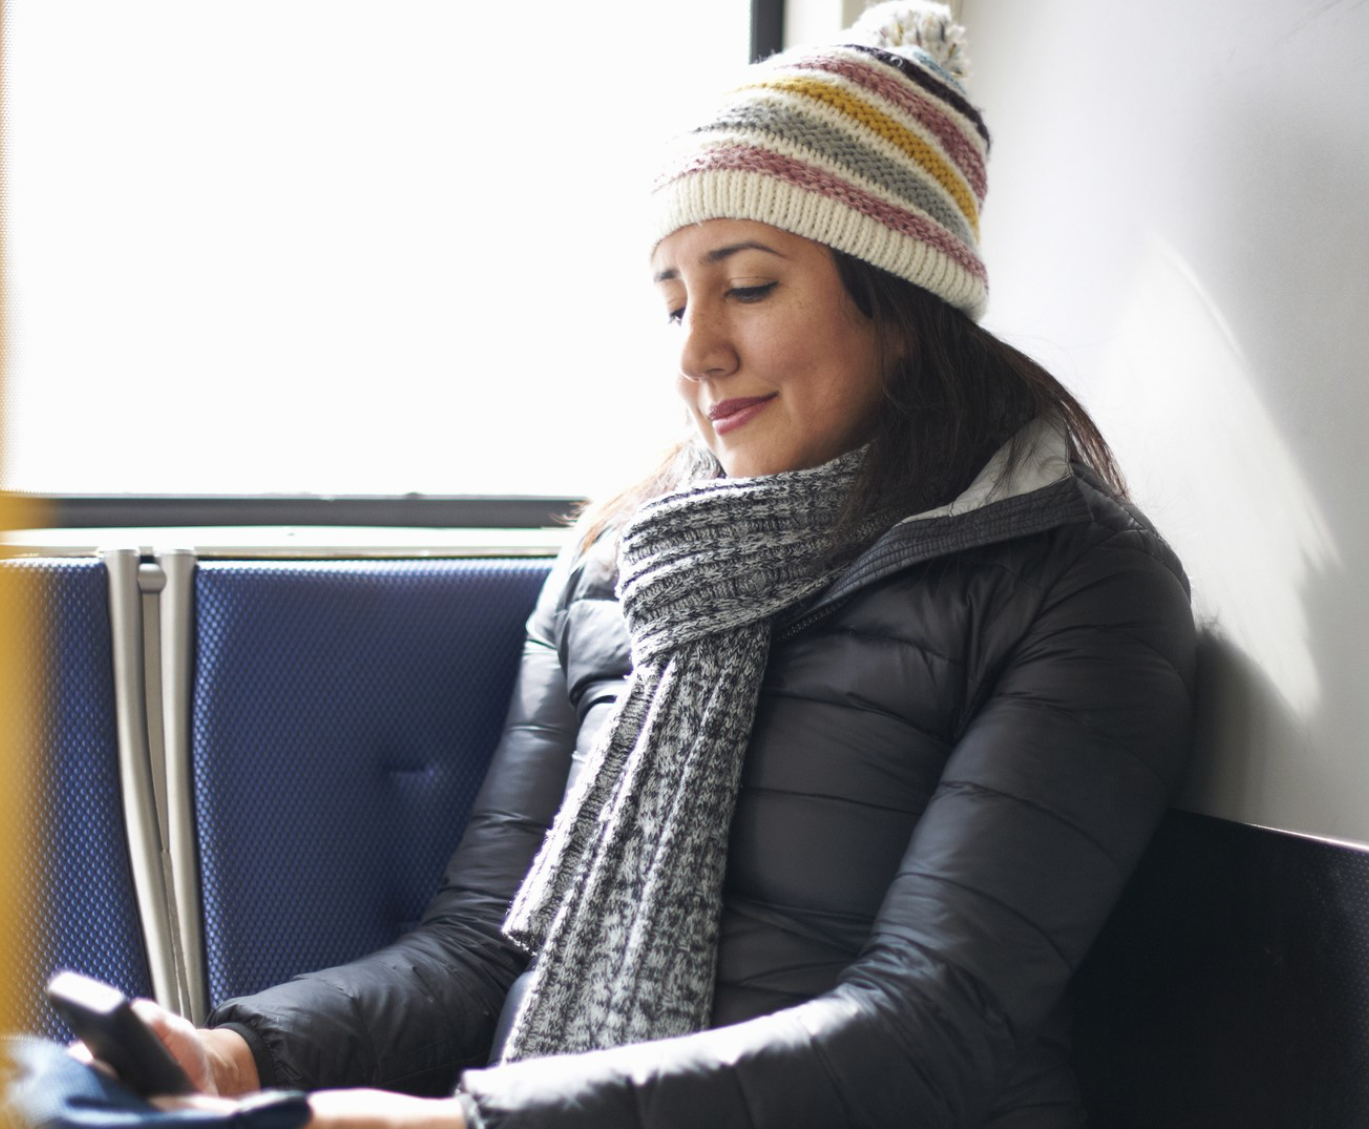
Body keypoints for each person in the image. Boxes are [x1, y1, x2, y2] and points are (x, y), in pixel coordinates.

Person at [121, 4, 1195, 1126]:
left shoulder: (1077, 583)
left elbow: (931, 1026)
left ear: (903, 305)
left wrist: (470, 1121)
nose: (696, 353)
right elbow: (483, 949)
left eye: (748, 285)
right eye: (674, 301)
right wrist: (237, 1053)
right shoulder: (617, 571)